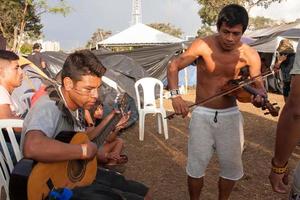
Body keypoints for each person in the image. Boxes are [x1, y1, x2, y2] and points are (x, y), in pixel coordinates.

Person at [21, 50, 152, 200]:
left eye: (98, 88)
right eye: (89, 89)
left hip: (72, 173)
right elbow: (32, 146)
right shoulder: (49, 106)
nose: (96, 95)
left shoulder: (78, 106)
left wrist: (111, 123)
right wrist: (82, 151)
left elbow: (82, 137)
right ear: (68, 83)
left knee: (144, 193)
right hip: (54, 188)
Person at [167, 4, 266, 200]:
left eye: (236, 33)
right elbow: (173, 66)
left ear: (243, 32)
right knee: (195, 166)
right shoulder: (202, 45)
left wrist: (260, 96)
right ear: (218, 27)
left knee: (231, 167)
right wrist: (176, 96)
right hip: (202, 113)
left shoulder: (250, 54)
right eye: (225, 32)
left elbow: (259, 84)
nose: (230, 38)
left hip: (230, 116)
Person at [269, 40, 300, 200]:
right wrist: (279, 62)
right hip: (287, 85)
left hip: (292, 86)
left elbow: (296, 110)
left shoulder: (294, 58)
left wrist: (279, 166)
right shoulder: (283, 59)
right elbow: (275, 70)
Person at [0, 50, 23, 119]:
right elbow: (9, 124)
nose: (21, 72)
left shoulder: (6, 92)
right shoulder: (1, 93)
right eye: (16, 68)